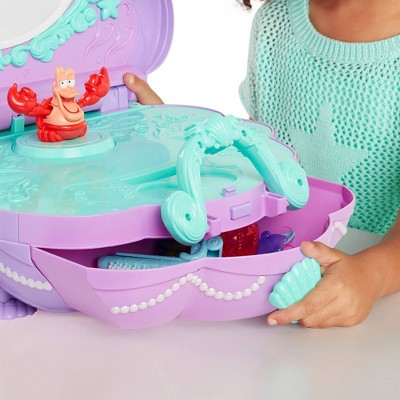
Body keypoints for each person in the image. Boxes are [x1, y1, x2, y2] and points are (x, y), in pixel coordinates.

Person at [123, 0, 400, 328]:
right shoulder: (276, 21)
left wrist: (371, 275)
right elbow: (256, 161)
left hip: (379, 305)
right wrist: (176, 145)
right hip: (268, 288)